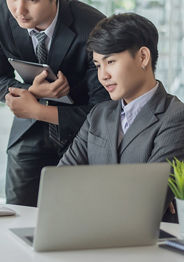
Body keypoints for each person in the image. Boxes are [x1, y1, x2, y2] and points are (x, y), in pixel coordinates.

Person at [0, 0, 109, 206]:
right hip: (29, 133)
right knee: (16, 215)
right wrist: (31, 92)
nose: (19, 10)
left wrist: (38, 109)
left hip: (82, 135)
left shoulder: (93, 27)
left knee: (75, 221)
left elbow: (104, 110)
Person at [58, 12, 184, 219]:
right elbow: (61, 182)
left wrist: (87, 186)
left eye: (111, 62)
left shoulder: (175, 117)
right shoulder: (99, 113)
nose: (103, 75)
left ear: (143, 57)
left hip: (145, 244)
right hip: (90, 232)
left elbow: (146, 201)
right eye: (98, 65)